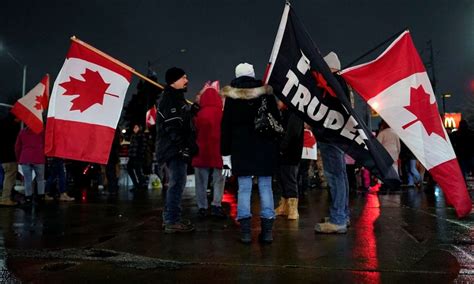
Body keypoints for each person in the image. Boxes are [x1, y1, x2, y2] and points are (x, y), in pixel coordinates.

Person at [221, 63, 279, 243]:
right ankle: (267, 232)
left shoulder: (231, 98)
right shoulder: (266, 95)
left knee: (244, 189)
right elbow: (276, 120)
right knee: (266, 188)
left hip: (241, 149)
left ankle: (246, 233)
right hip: (264, 147)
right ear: (253, 75)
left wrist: (225, 155)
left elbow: (226, 127)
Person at [156, 67, 199, 233]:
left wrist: (191, 111)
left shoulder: (177, 98)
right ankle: (172, 220)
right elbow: (173, 127)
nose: (186, 81)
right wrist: (182, 148)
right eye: (184, 78)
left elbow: (182, 120)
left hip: (174, 149)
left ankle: (170, 216)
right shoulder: (170, 100)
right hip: (172, 150)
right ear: (174, 81)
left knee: (175, 183)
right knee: (177, 183)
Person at [314, 52, 351, 234]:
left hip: (330, 136)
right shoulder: (340, 84)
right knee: (340, 176)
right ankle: (343, 214)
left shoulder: (332, 84)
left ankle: (338, 219)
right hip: (337, 135)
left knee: (335, 177)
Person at [192, 81, 227, 218]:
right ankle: (216, 205)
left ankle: (202, 207)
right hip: (218, 152)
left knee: (200, 181)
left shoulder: (198, 114)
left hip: (201, 152)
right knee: (219, 180)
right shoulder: (222, 114)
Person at [274, 100, 304, 220]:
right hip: (284, 152)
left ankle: (293, 209)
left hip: (290, 153)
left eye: (280, 100)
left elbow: (291, 133)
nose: (278, 102)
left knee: (290, 179)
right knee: (282, 179)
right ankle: (284, 206)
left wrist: (282, 147)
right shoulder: (285, 113)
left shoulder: (294, 114)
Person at [15, 127, 46, 205]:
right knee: (40, 179)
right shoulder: (41, 131)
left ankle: (28, 198)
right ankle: (41, 197)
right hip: (39, 158)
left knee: (27, 180)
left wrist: (19, 158)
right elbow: (46, 144)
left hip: (25, 158)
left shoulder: (22, 132)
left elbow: (17, 147)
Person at [0, 115, 20, 206]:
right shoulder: (13, 130)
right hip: (10, 158)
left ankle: (6, 196)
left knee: (6, 177)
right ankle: (5, 199)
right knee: (9, 178)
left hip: (3, 158)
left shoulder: (3, 129)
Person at [127, 124, 147, 190]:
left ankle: (140, 185)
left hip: (137, 156)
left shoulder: (141, 135)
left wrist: (139, 154)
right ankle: (136, 184)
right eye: (134, 127)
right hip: (132, 156)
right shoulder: (133, 136)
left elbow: (143, 146)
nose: (134, 128)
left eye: (136, 127)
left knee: (138, 171)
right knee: (130, 169)